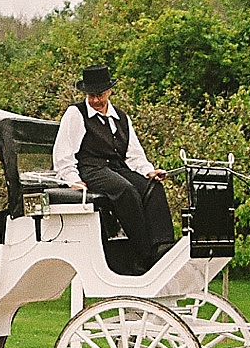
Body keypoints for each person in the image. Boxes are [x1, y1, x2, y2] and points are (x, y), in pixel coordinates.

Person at [52, 64, 175, 270]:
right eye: (91, 95)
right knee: (124, 190)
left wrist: (149, 171)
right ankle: (144, 254)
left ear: (109, 92)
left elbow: (134, 155)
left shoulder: (121, 117)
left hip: (117, 167)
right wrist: (73, 180)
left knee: (152, 187)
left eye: (100, 95)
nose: (95, 100)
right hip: (90, 169)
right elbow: (63, 154)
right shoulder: (75, 113)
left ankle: (162, 246)